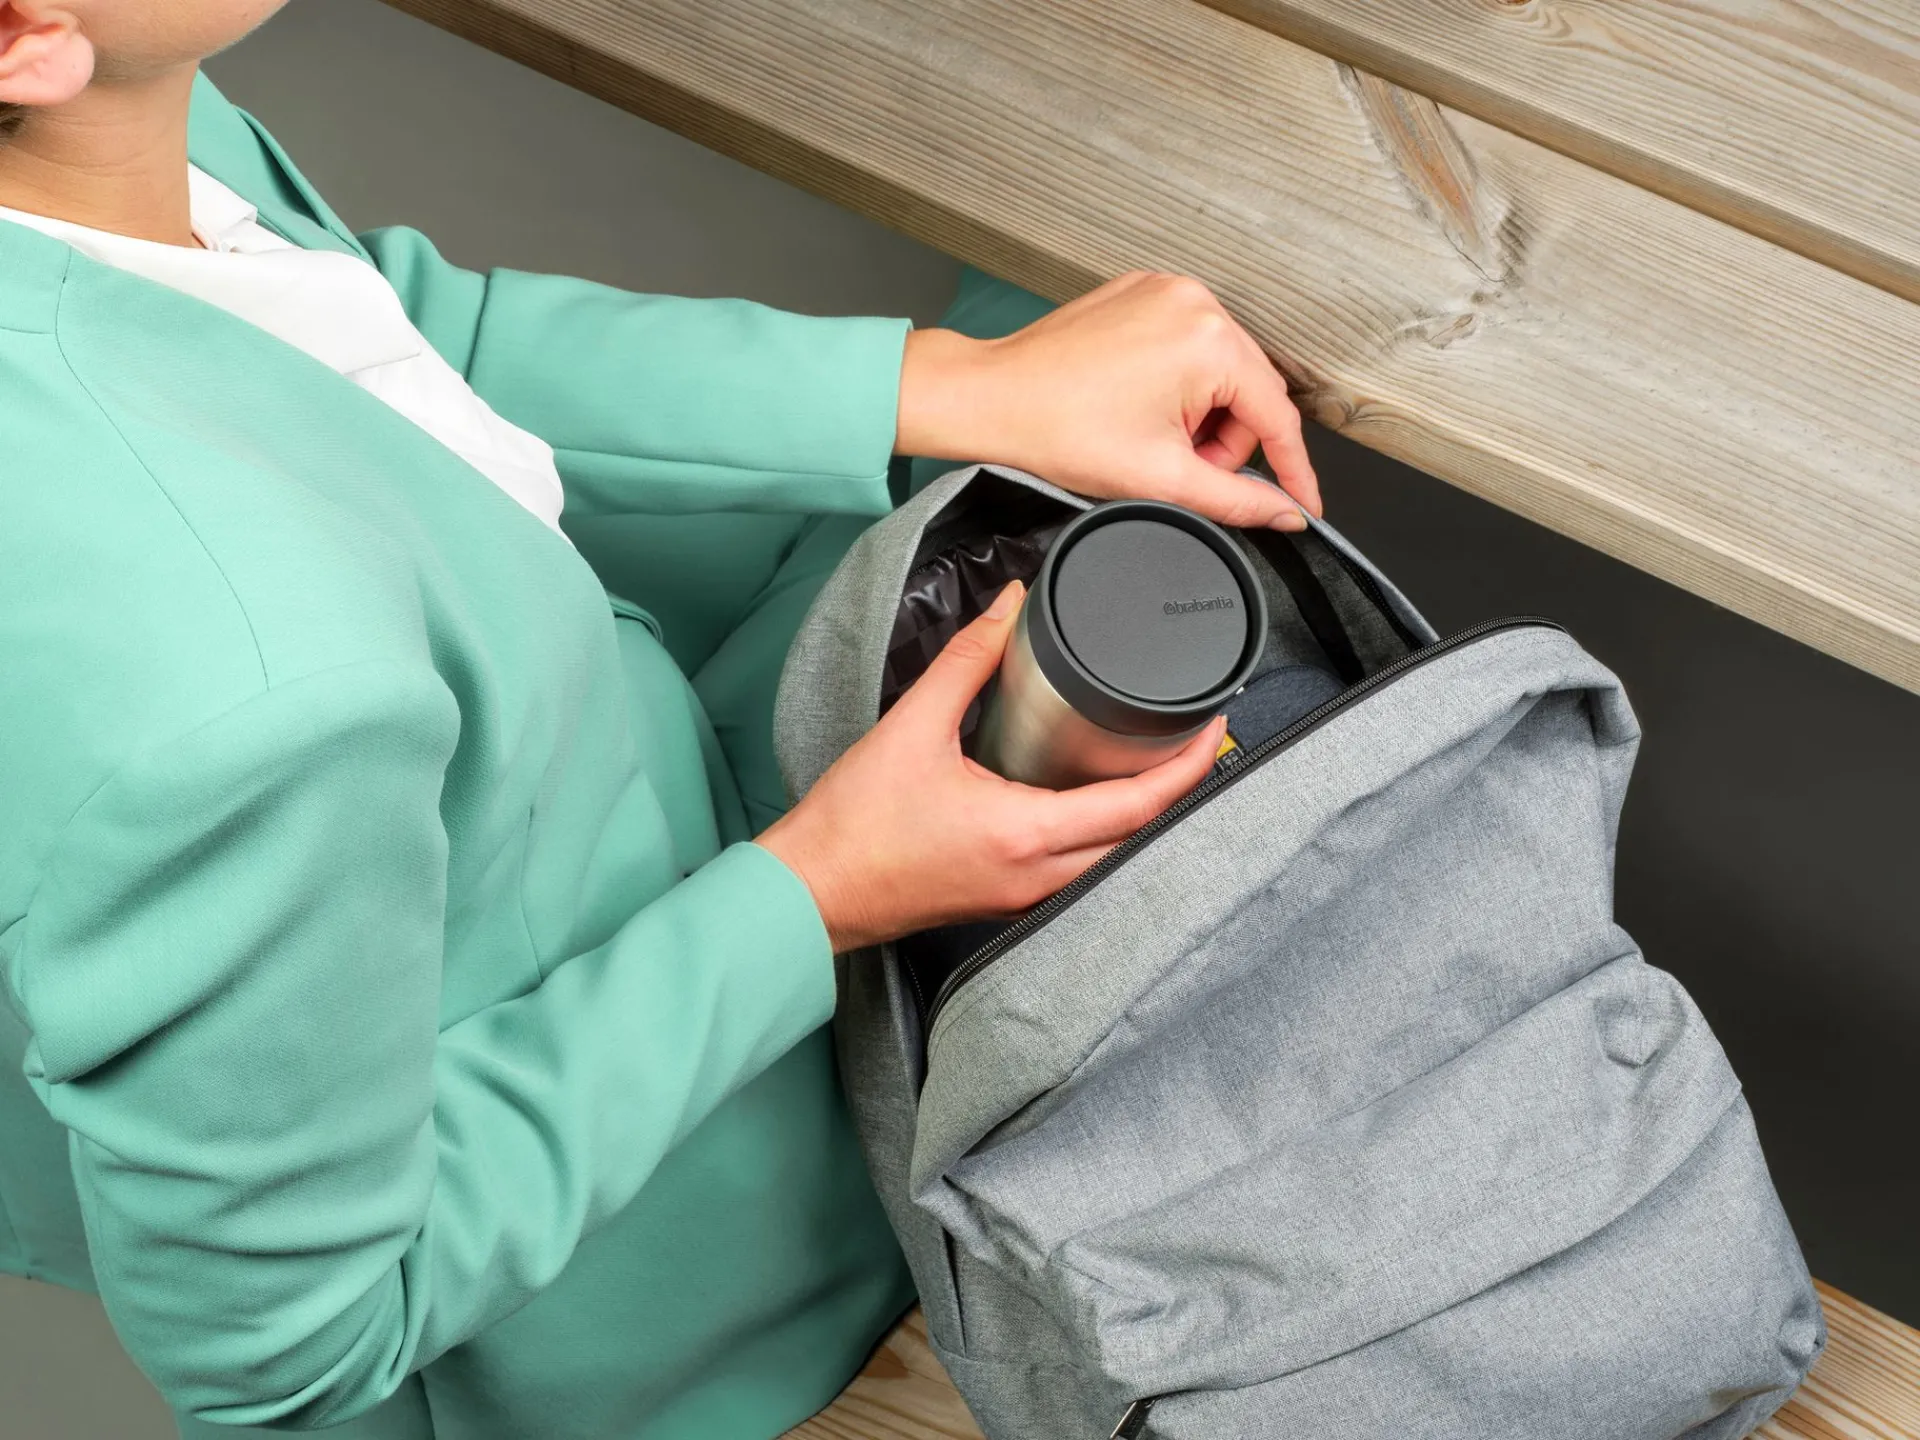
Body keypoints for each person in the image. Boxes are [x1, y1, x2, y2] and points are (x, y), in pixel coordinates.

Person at [0, 3, 1322, 1437]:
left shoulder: (94, 128)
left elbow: (368, 331)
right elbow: (290, 1344)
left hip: (587, 753)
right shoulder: (236, 698)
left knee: (1114, 304)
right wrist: (820, 892)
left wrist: (955, 386)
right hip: (660, 1235)